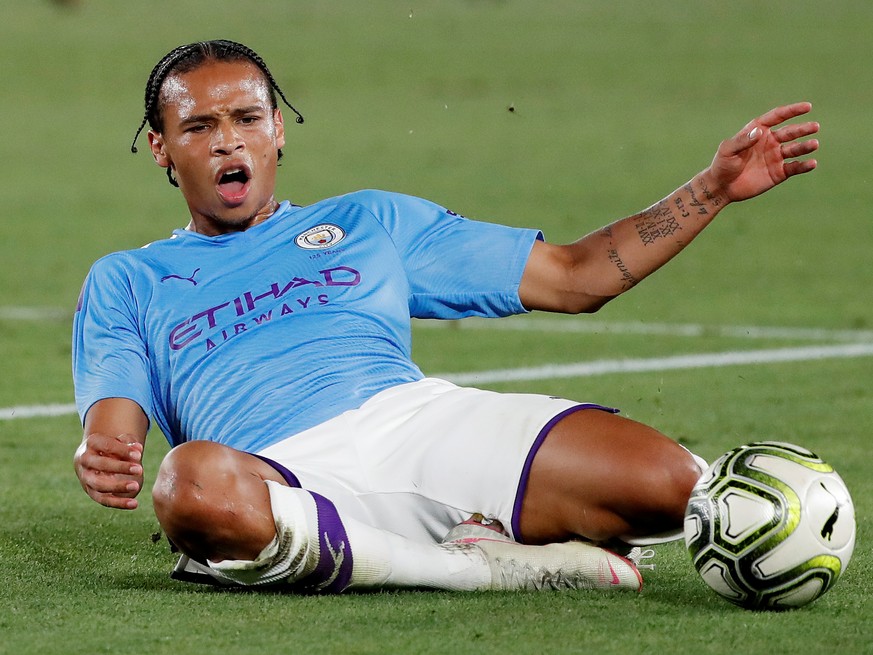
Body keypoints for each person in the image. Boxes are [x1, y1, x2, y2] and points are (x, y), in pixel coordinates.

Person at [72, 40, 819, 594]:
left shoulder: (371, 221)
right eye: (199, 126)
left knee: (673, 482)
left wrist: (710, 189)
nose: (228, 138)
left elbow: (576, 275)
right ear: (160, 147)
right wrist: (103, 455)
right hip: (278, 472)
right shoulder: (127, 279)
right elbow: (114, 428)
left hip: (418, 423)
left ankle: (414, 549)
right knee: (188, 485)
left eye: (247, 117)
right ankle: (469, 570)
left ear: (279, 131)